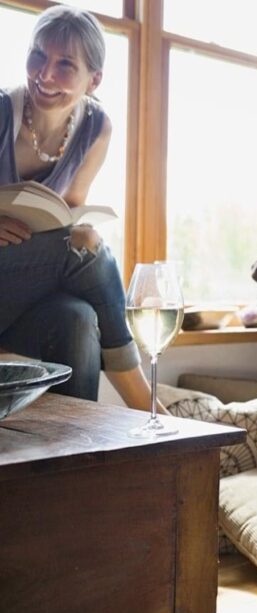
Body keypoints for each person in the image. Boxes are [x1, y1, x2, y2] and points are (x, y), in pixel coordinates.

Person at [0, 5, 155, 410]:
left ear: (94, 79)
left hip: (25, 296)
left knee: (80, 318)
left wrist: (81, 232)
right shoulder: (1, 112)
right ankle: (143, 403)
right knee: (84, 254)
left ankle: (80, 462)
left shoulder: (95, 127)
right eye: (38, 55)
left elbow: (68, 214)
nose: (44, 74)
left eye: (65, 64)